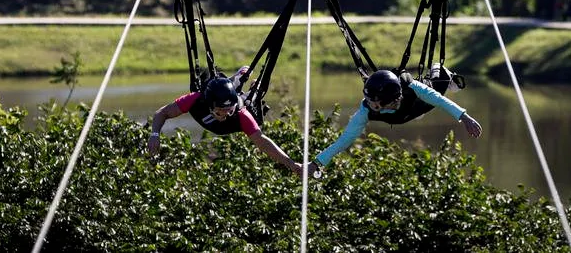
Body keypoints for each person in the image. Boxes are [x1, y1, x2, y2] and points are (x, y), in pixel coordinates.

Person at [310, 68, 483, 171]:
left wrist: (464, 117)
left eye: (374, 102)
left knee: (440, 82)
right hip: (403, 116)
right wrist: (316, 163)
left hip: (420, 105)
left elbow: (439, 100)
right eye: (368, 100)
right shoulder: (366, 111)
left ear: (390, 100)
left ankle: (439, 69)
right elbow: (344, 140)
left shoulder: (411, 87)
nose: (369, 104)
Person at [147, 69, 302, 176]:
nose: (226, 114)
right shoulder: (195, 100)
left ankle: (248, 88)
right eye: (221, 110)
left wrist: (291, 164)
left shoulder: (240, 114)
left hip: (240, 104)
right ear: (210, 105)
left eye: (229, 109)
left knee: (248, 101)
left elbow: (262, 142)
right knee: (217, 87)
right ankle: (236, 79)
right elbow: (162, 113)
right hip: (211, 97)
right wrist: (155, 134)